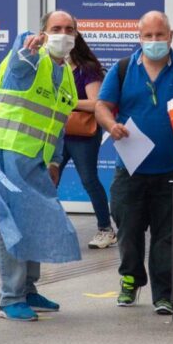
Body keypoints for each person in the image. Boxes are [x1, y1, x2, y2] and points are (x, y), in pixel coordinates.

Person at [95, 10, 173, 315]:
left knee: (167, 236)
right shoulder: (122, 69)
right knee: (127, 228)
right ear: (139, 37)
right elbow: (102, 106)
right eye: (148, 36)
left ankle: (163, 293)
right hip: (130, 169)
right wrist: (110, 125)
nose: (154, 41)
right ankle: (131, 278)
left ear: (170, 36)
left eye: (159, 35)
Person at [0, 10, 81, 322]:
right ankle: (10, 298)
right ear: (43, 32)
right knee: (10, 225)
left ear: (76, 36)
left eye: (68, 29)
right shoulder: (31, 59)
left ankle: (28, 289)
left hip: (36, 160)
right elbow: (17, 69)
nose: (62, 34)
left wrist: (53, 161)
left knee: (35, 221)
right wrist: (25, 52)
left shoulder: (65, 75)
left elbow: (58, 123)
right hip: (5, 153)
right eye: (55, 28)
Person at [58, 32, 116, 249]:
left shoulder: (87, 69)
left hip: (82, 134)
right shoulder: (55, 68)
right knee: (48, 180)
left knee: (88, 180)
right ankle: (51, 227)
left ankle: (106, 229)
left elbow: (96, 103)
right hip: (58, 132)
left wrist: (67, 102)